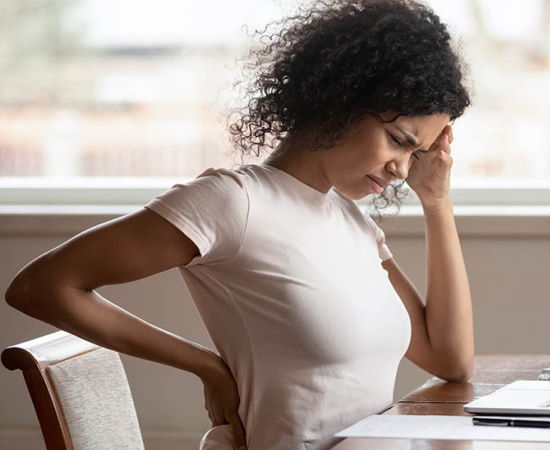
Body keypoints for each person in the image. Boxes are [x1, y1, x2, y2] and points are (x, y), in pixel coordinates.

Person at [5, 0, 474, 448]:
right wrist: (206, 366)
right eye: (398, 140)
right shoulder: (233, 203)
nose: (401, 169)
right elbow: (41, 287)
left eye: (416, 154)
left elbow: (449, 360)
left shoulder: (352, 223)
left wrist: (437, 201)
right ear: (340, 100)